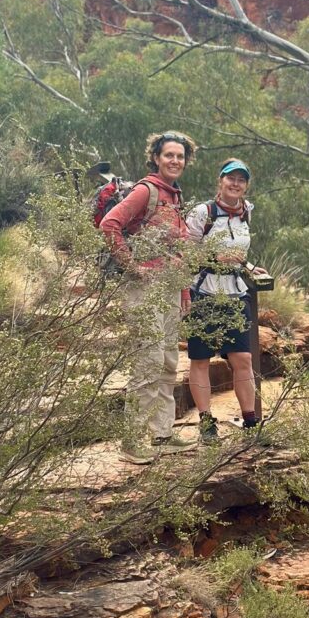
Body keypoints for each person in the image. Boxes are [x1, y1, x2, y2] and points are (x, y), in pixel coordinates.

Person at [100, 131, 195, 464]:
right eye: (169, 155)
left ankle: (161, 433)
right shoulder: (147, 190)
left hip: (169, 288)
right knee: (148, 361)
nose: (175, 161)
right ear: (156, 157)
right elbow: (110, 224)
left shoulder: (173, 196)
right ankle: (131, 439)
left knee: (168, 360)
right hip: (144, 289)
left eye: (180, 156)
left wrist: (183, 288)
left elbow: (178, 250)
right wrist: (134, 266)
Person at [185, 158, 265, 440]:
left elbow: (239, 254)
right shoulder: (202, 213)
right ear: (220, 180)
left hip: (235, 291)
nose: (235, 184)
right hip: (204, 291)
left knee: (242, 358)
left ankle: (251, 421)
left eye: (241, 180)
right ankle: (207, 424)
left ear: (246, 186)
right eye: (231, 178)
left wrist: (249, 267)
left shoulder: (246, 213)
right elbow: (185, 253)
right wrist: (216, 258)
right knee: (201, 359)